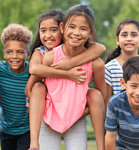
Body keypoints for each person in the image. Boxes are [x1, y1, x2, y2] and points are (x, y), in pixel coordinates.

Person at [27, 9, 106, 150]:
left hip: (77, 115)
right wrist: (67, 73)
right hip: (49, 115)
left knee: (96, 94)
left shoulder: (94, 61)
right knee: (39, 88)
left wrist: (76, 111)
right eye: (72, 27)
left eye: (83, 29)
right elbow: (30, 87)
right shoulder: (47, 56)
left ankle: (102, 147)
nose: (76, 32)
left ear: (90, 33)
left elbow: (100, 99)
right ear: (63, 28)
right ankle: (34, 144)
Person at [0, 23, 32, 150]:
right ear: (4, 54)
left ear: (28, 54)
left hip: (27, 128)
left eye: (20, 52)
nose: (14, 56)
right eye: (9, 52)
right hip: (6, 128)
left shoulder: (32, 71)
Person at [104, 18, 139, 106]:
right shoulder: (110, 68)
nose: (129, 39)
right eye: (124, 35)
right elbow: (107, 102)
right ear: (117, 40)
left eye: (134, 35)